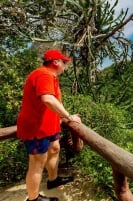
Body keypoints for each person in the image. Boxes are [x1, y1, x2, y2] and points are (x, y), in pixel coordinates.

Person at [17, 49, 81, 201]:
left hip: (49, 126)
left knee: (54, 149)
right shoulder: (44, 74)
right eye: (64, 62)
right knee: (37, 162)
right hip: (36, 128)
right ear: (55, 62)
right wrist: (68, 116)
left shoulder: (50, 76)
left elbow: (50, 103)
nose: (65, 66)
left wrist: (59, 118)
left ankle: (53, 180)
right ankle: (33, 199)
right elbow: (48, 99)